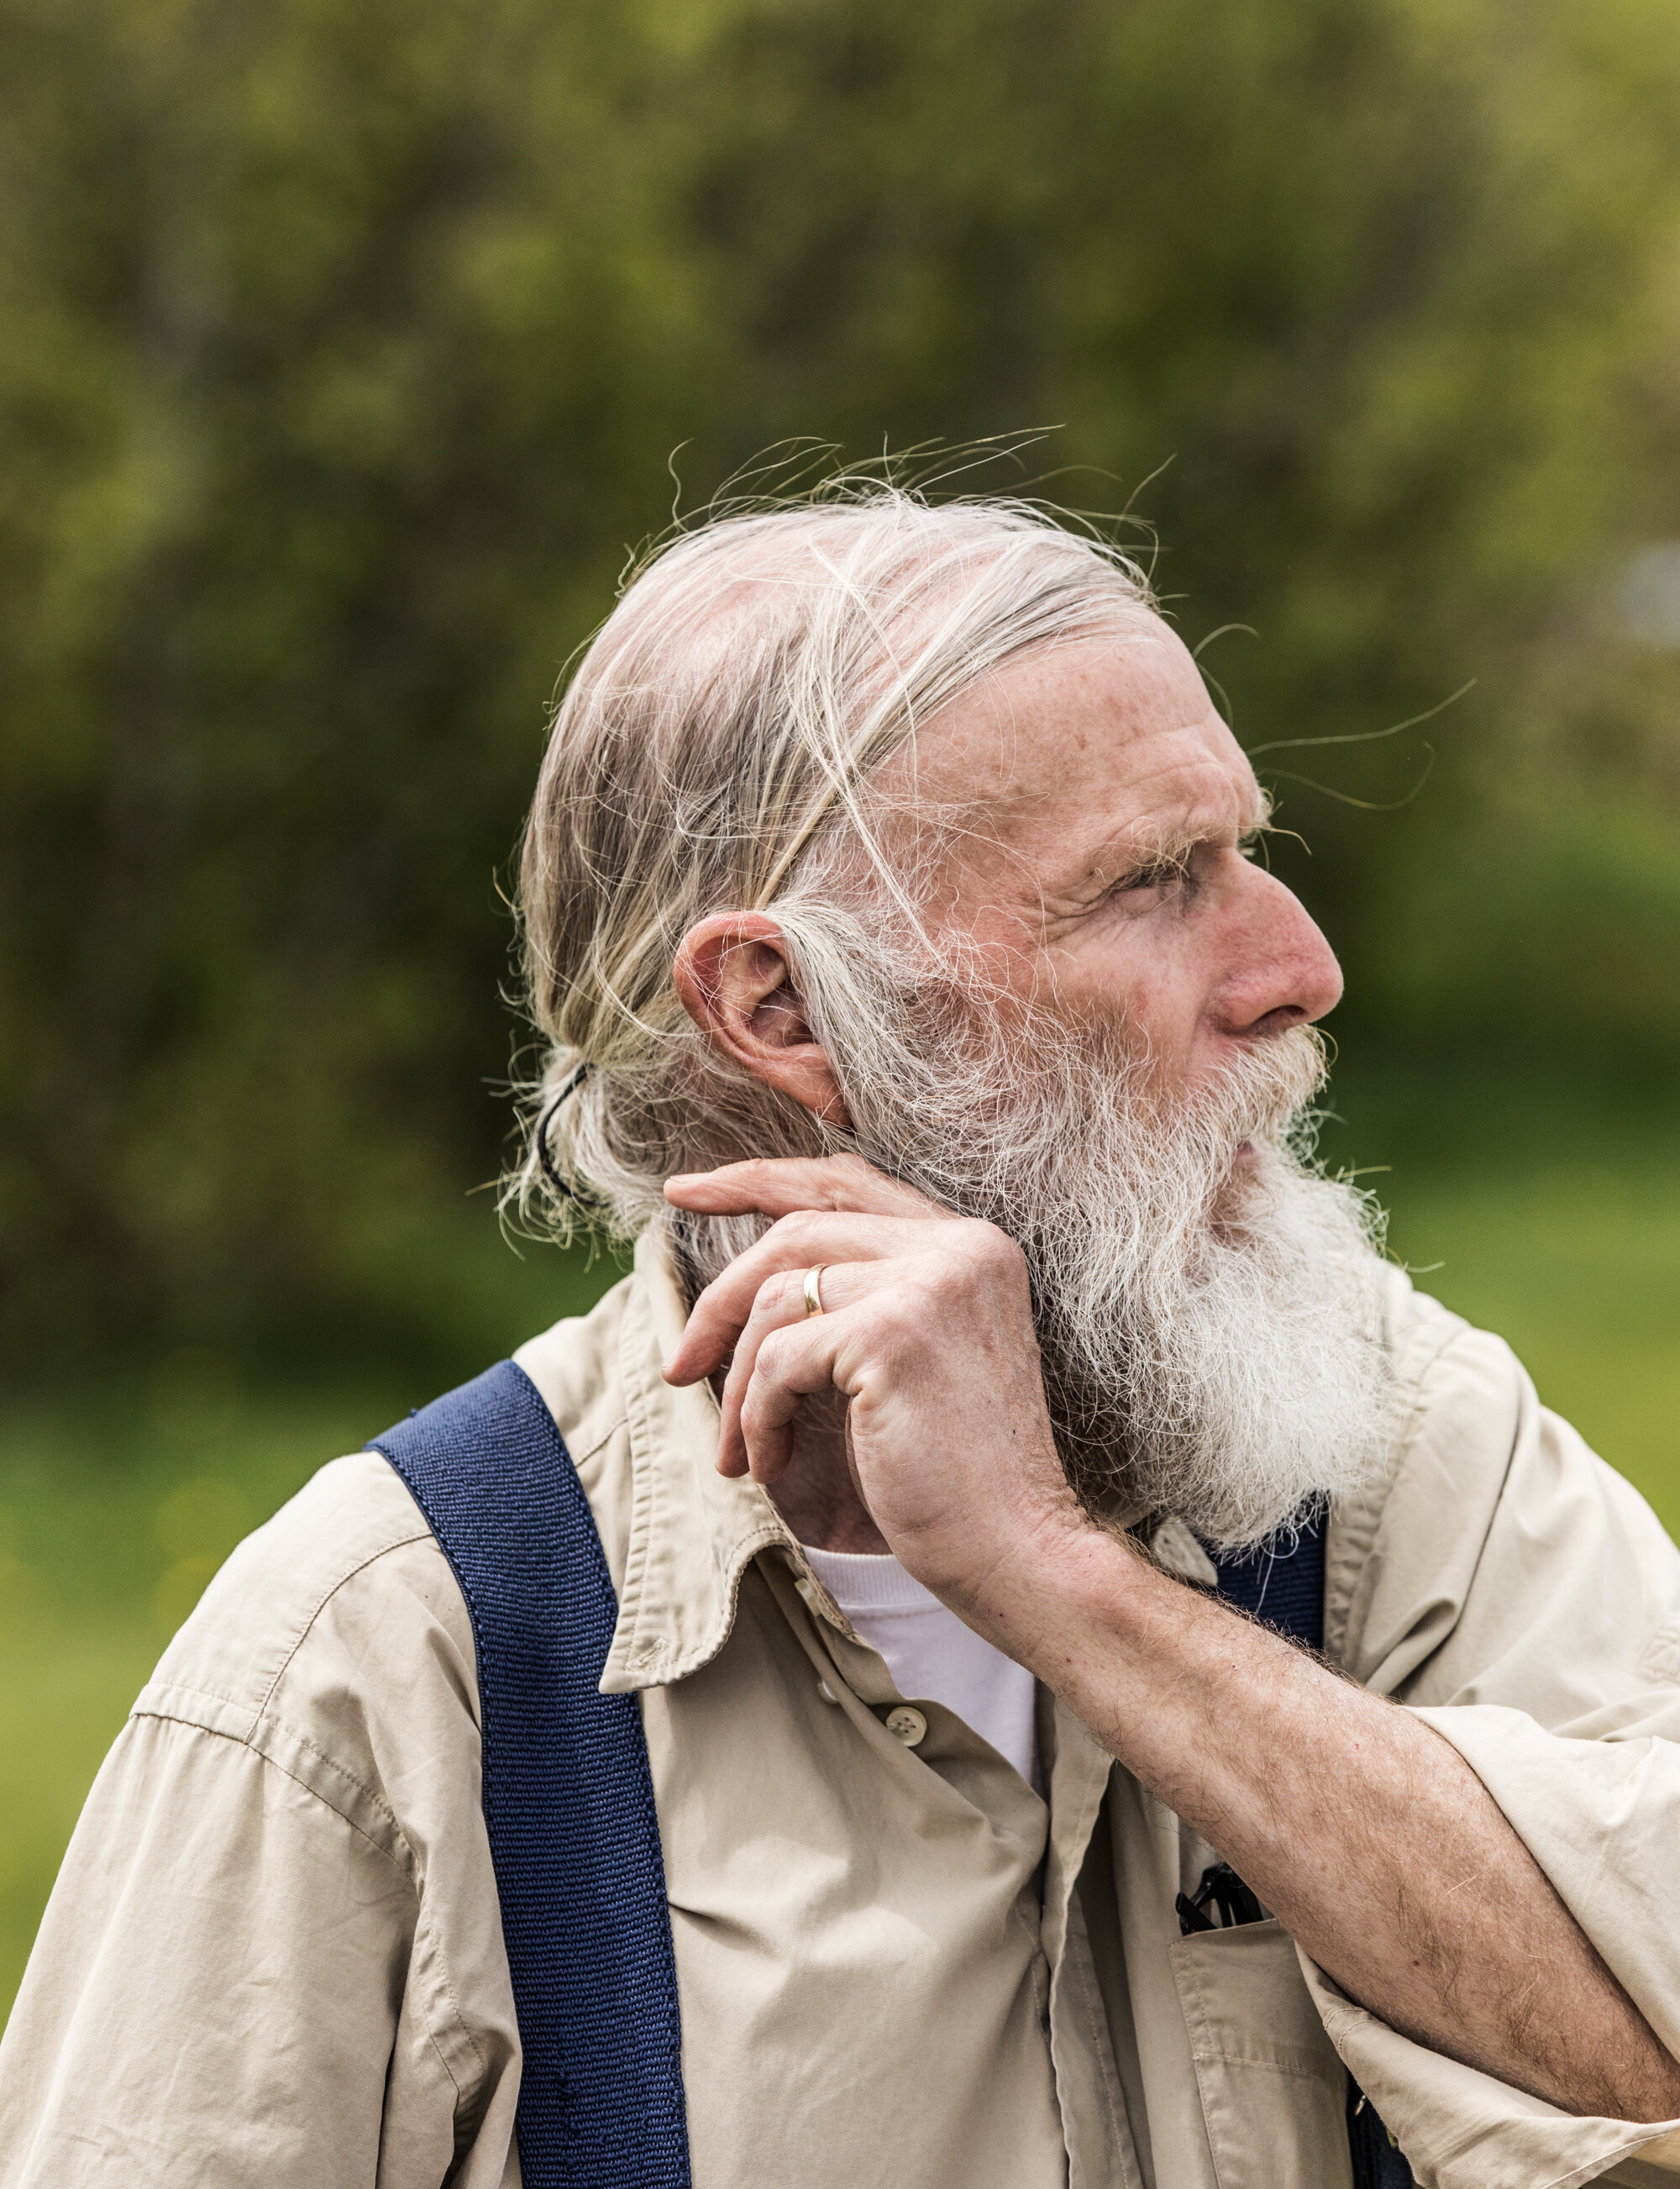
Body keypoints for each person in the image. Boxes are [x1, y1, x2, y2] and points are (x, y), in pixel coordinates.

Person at [5, 489, 1680, 2189]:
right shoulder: (380, 1668)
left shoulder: (1404, 1460)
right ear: (779, 1008)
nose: (1296, 967)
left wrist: (1052, 1574)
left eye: (1252, 853)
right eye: (1155, 882)